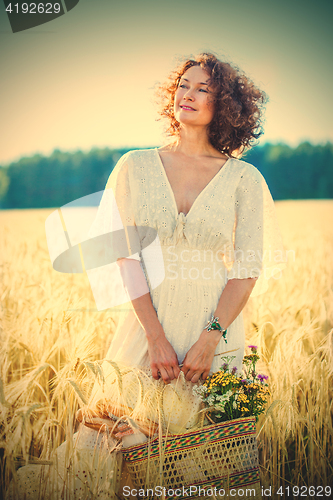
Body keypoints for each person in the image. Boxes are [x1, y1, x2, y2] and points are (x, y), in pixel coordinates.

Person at [8, 52, 286, 499]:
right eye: (183, 84)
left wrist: (209, 339)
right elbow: (126, 257)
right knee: (112, 447)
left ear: (228, 106)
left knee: (205, 461)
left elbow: (247, 269)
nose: (188, 94)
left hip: (215, 329)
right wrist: (155, 337)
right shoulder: (135, 166)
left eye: (203, 89)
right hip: (146, 325)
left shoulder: (244, 180)